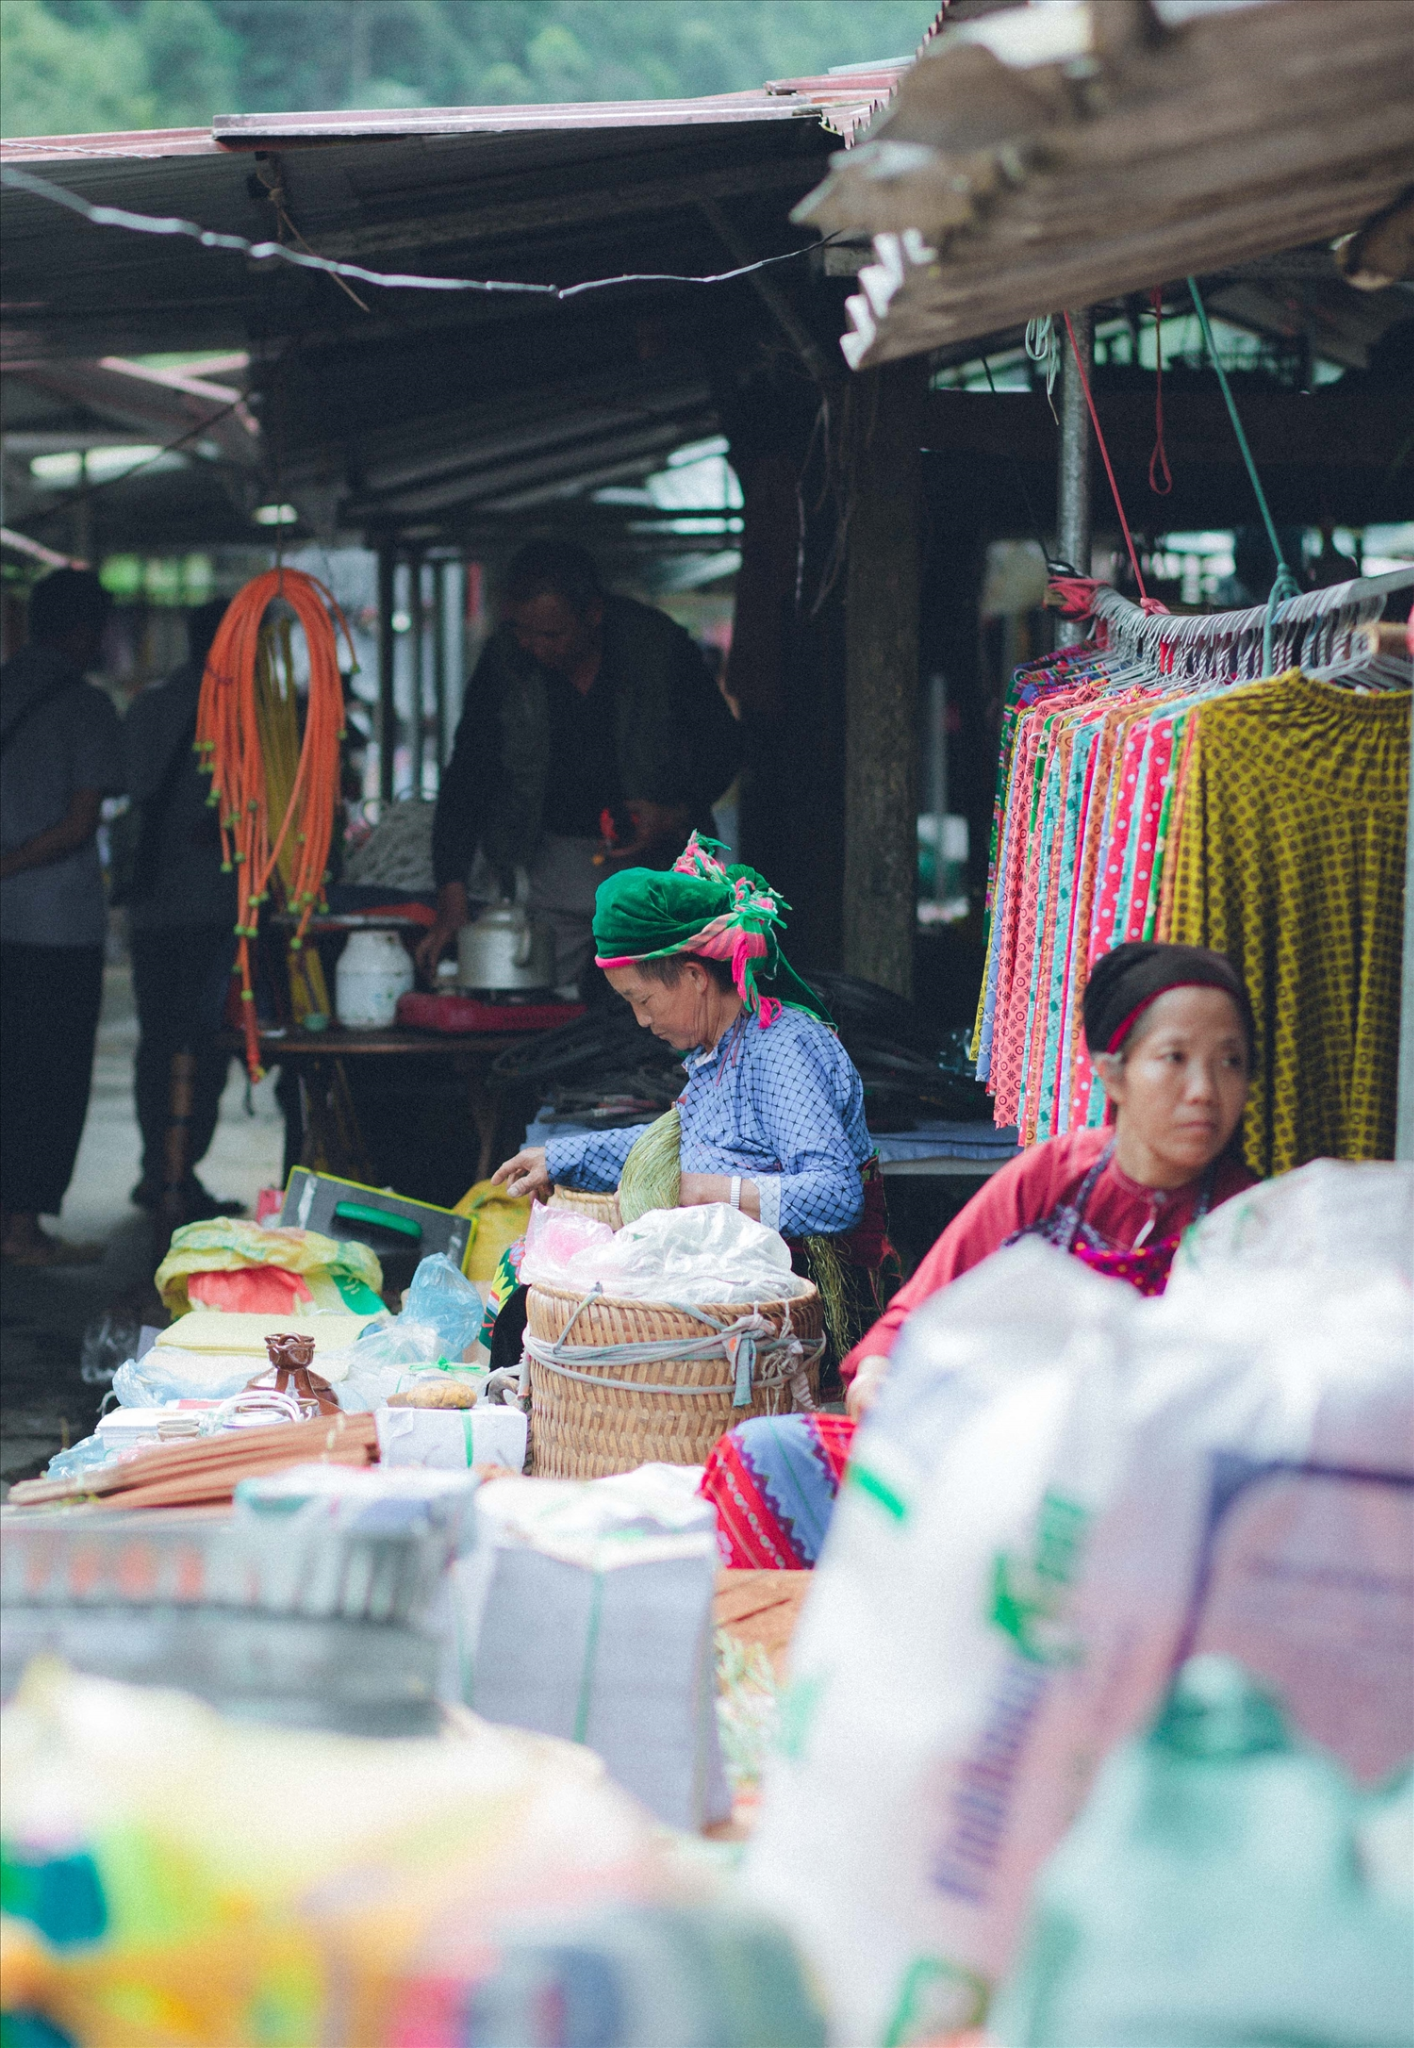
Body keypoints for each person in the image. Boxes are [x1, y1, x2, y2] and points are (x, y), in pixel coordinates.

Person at [702, 941, 1260, 1569]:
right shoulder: (1053, 1179)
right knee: (761, 1459)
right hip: (986, 1464)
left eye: (1230, 1062)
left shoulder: (1255, 1220)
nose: (1205, 1091)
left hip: (1137, 1513)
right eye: (1175, 1058)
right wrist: (883, 1381)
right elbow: (912, 1318)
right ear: (1112, 1073)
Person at [488, 834, 893, 1362]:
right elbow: (675, 1145)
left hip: (782, 1307)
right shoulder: (720, 1050)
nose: (640, 1020)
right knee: (526, 1270)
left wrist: (712, 1192)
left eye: (643, 999)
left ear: (695, 977)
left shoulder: (781, 1047)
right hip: (727, 1285)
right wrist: (560, 1157)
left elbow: (835, 1196)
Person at [416, 542, 741, 992]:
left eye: (551, 635)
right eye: (522, 632)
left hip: (657, 867)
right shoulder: (505, 663)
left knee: (664, 1007)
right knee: (537, 1006)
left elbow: (722, 746)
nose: (533, 647)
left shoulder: (657, 649)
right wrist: (451, 893)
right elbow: (468, 775)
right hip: (546, 868)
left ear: (593, 615)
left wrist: (672, 814)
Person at [0, 568, 121, 1264]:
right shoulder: (85, 707)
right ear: (83, 631)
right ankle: (22, 1230)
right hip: (55, 927)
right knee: (48, 1076)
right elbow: (81, 822)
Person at [121, 597, 242, 1219]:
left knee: (160, 1042)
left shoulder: (150, 706)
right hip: (219, 912)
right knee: (207, 1044)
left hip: (155, 911)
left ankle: (162, 1171)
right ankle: (178, 1171)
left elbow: (126, 791)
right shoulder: (249, 716)